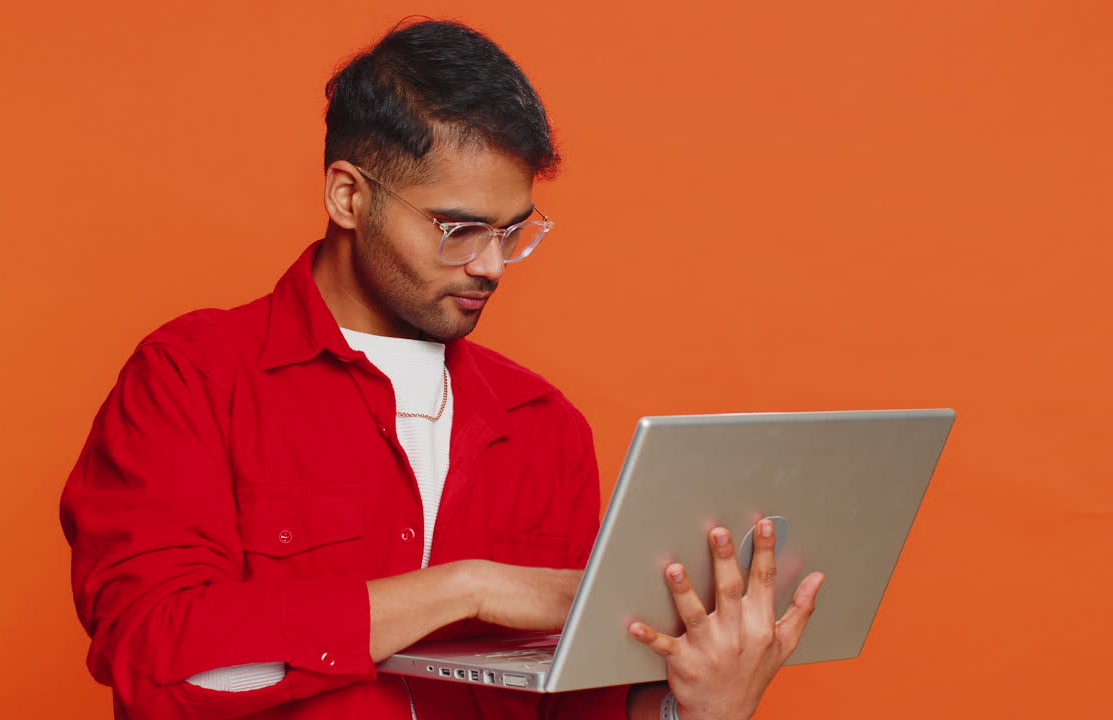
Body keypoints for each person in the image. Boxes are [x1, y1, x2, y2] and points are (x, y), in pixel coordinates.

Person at [60, 18, 824, 720]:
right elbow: (157, 662)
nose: (491, 266)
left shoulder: (545, 427)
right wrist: (471, 587)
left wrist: (695, 707)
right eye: (458, 229)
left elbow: (571, 707)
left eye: (513, 232)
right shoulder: (192, 378)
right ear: (348, 195)